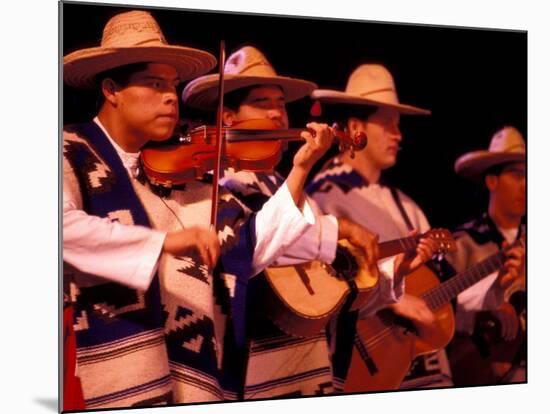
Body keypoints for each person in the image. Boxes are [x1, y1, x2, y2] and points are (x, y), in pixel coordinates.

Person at [63, 11, 335, 409]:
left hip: (189, 378)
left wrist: (300, 168)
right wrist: (166, 242)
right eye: (155, 85)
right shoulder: (69, 150)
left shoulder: (186, 180)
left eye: (173, 85)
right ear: (111, 89)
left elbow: (247, 249)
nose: (172, 97)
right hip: (104, 375)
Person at [182, 47, 436, 398]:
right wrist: (305, 173)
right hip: (252, 381)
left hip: (308, 375)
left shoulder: (288, 191)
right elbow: (249, 252)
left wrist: (394, 275)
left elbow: (326, 296)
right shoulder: (211, 189)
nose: (276, 113)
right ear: (228, 117)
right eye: (261, 103)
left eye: (281, 104)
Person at [307, 64, 454, 390]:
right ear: (356, 126)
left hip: (415, 357)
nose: (398, 135)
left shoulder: (406, 204)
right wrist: (393, 299)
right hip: (365, 361)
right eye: (388, 124)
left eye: (398, 125)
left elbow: (439, 279)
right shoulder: (324, 198)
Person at [445, 126, 526, 385]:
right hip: (476, 376)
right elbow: (440, 312)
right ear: (492, 181)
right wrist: (486, 314)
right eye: (517, 175)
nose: (526, 185)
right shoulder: (463, 244)